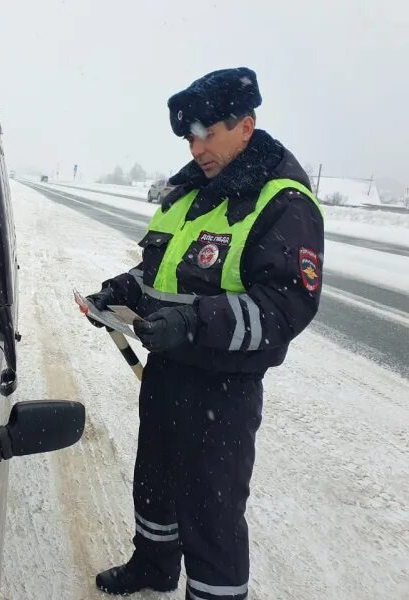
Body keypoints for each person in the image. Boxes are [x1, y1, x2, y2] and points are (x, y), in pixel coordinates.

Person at [88, 68, 324, 599]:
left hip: (223, 386)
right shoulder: (191, 194)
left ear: (246, 125)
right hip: (167, 371)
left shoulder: (281, 200)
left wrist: (194, 323)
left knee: (211, 510)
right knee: (155, 482)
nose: (196, 149)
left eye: (206, 133)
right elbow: (161, 275)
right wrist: (119, 293)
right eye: (189, 137)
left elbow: (286, 306)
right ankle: (152, 567)